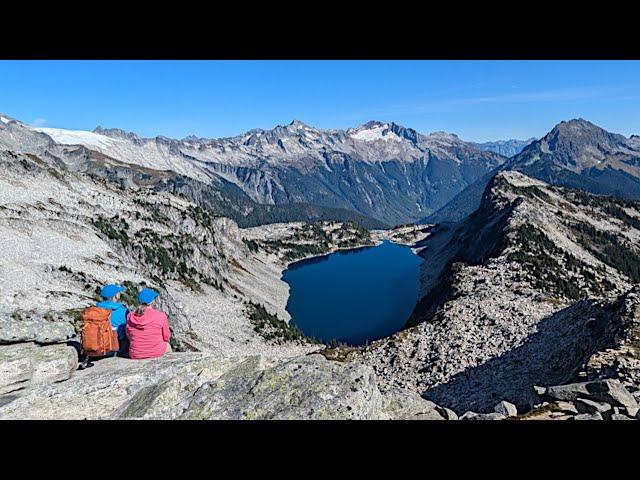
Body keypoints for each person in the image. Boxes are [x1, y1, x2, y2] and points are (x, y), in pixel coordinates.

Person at [126, 288, 172, 360]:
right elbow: (166, 337)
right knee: (168, 346)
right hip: (156, 352)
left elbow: (129, 335)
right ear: (152, 302)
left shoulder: (130, 316)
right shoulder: (161, 316)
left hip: (136, 354)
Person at [96, 284, 130, 357]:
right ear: (116, 296)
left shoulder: (96, 309)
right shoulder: (123, 311)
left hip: (96, 345)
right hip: (115, 348)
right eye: (118, 292)